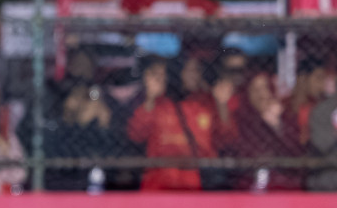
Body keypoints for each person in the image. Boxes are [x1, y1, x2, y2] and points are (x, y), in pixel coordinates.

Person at [125, 56, 223, 192]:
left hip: (191, 181)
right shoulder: (158, 105)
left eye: (197, 71)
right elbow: (135, 134)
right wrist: (150, 99)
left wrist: (221, 105)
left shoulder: (204, 105)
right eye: (188, 70)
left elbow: (223, 139)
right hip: (158, 181)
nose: (193, 75)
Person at [225, 70, 304, 191]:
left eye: (264, 88)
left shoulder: (286, 118)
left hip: (283, 186)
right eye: (255, 90)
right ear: (248, 94)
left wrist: (277, 126)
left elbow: (296, 154)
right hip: (250, 186)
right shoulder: (240, 119)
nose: (261, 94)